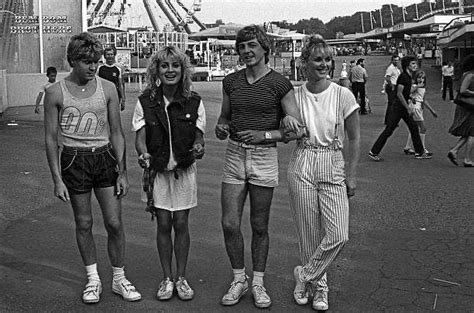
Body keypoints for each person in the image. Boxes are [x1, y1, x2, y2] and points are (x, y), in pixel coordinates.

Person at [43, 32, 141, 304]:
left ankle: (120, 278)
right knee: (84, 222)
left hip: (104, 158)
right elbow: (51, 139)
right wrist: (56, 179)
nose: (93, 67)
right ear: (72, 60)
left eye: (96, 62)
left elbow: (117, 133)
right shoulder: (55, 92)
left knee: (114, 222)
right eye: (87, 62)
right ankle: (93, 279)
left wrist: (123, 172)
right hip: (74, 161)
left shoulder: (107, 88)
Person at [214, 24, 303, 309]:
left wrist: (264, 135)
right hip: (235, 155)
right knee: (229, 223)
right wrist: (221, 127)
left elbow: (296, 130)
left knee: (259, 225)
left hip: (264, 157)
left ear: (265, 48)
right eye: (241, 46)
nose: (246, 51)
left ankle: (258, 282)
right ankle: (239, 279)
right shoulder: (230, 82)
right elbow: (225, 117)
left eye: (252, 45)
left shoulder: (280, 84)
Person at [289, 35, 360, 312]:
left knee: (339, 233)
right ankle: (320, 287)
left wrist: (351, 175)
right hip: (303, 158)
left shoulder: (343, 94)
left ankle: (305, 275)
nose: (325, 64)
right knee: (308, 233)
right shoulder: (294, 95)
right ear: (304, 63)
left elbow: (354, 138)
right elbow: (284, 131)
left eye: (328, 59)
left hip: (331, 159)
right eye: (318, 59)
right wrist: (286, 127)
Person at [132, 45, 206, 301]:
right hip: (159, 173)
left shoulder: (194, 101)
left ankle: (181, 278)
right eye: (164, 66)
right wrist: (143, 154)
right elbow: (140, 139)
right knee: (164, 223)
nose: (170, 70)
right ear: (157, 70)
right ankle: (167, 278)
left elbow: (199, 139)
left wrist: (198, 148)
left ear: (183, 70)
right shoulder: (145, 102)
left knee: (182, 223)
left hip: (184, 172)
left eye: (175, 65)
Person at [368, 55, 432, 161]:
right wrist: (408, 108)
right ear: (407, 65)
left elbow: (405, 93)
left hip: (402, 107)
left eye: (415, 63)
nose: (415, 65)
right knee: (389, 130)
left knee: (413, 127)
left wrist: (411, 97)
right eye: (413, 63)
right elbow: (399, 94)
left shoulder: (408, 76)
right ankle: (374, 151)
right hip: (399, 108)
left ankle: (419, 152)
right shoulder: (403, 77)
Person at [447, 54, 474, 167]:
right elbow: (463, 90)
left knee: (469, 132)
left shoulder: (465, 74)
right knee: (472, 132)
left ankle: (455, 151)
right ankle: (467, 159)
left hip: (466, 106)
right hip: (468, 106)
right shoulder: (471, 75)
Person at [403, 70, 438, 155]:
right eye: (419, 77)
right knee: (423, 128)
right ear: (416, 78)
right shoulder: (415, 86)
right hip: (415, 107)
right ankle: (421, 149)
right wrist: (417, 86)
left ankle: (408, 147)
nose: (421, 79)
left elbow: (424, 100)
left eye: (423, 78)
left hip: (419, 107)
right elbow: (408, 91)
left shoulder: (423, 87)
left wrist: (431, 110)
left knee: (414, 128)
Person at [98, 46, 126, 111]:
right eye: (108, 54)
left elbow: (120, 84)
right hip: (103, 96)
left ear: (114, 55)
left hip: (115, 95)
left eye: (111, 54)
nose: (110, 56)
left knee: (113, 113)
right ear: (104, 56)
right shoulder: (100, 69)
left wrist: (123, 99)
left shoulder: (118, 69)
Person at [383, 55, 401, 125]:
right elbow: (387, 78)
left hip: (395, 86)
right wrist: (392, 86)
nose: (396, 61)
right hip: (392, 86)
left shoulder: (396, 68)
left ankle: (391, 120)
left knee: (393, 104)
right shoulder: (391, 68)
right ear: (392, 60)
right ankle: (389, 120)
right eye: (395, 60)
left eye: (397, 60)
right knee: (392, 104)